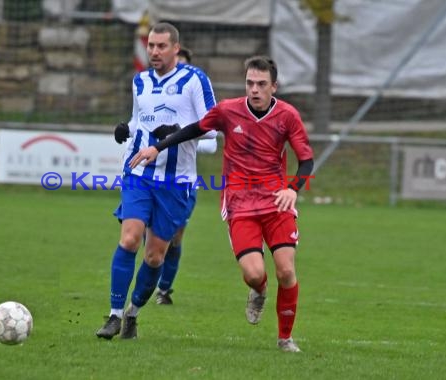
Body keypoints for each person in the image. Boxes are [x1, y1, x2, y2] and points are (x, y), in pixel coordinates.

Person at [129, 56, 314, 353]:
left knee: (286, 271)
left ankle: (285, 338)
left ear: (274, 87)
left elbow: (306, 160)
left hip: (276, 203)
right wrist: (157, 147)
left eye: (261, 84)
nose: (254, 89)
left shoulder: (288, 116)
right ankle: (259, 290)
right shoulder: (229, 111)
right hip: (240, 204)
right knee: (254, 274)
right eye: (250, 83)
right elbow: (194, 129)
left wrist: (293, 189)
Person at [96, 22, 217, 340]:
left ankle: (133, 315)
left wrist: (174, 134)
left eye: (161, 46)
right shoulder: (140, 81)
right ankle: (114, 314)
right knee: (129, 239)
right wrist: (126, 130)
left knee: (154, 256)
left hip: (176, 182)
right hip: (139, 175)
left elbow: (213, 127)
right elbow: (140, 120)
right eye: (150, 46)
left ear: (176, 48)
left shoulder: (195, 79)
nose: (154, 52)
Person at [154, 46, 217, 306]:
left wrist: (182, 140)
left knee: (175, 235)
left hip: (183, 182)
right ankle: (148, 282)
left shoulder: (197, 102)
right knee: (152, 239)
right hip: (153, 179)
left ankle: (164, 290)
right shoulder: (155, 96)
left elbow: (212, 142)